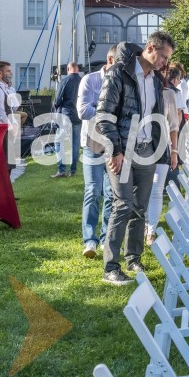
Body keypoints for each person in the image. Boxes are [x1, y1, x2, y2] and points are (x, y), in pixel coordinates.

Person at [97, 32, 174, 285]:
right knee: (123, 205)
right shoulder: (119, 73)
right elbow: (104, 115)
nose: (165, 62)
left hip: (147, 151)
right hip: (123, 150)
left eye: (168, 58)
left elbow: (157, 118)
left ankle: (133, 258)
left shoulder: (155, 80)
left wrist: (161, 150)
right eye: (163, 56)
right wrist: (115, 151)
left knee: (140, 207)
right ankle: (110, 267)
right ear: (150, 47)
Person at [77, 47, 117, 259]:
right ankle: (89, 239)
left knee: (111, 193)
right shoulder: (90, 80)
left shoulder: (121, 82)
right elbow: (82, 111)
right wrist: (107, 113)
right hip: (92, 144)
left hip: (113, 144)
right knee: (93, 190)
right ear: (110, 59)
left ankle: (105, 238)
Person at [145, 65, 182, 245]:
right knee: (142, 191)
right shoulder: (142, 89)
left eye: (164, 71)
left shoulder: (169, 94)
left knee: (156, 190)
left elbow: (174, 125)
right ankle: (143, 225)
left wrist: (174, 151)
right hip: (141, 146)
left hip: (162, 145)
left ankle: (150, 231)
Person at [52, 62, 82, 178]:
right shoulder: (83, 80)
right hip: (78, 117)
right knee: (75, 144)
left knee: (58, 142)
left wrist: (56, 109)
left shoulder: (65, 81)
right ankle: (73, 171)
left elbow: (57, 100)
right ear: (77, 69)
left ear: (68, 69)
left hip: (66, 115)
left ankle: (62, 170)